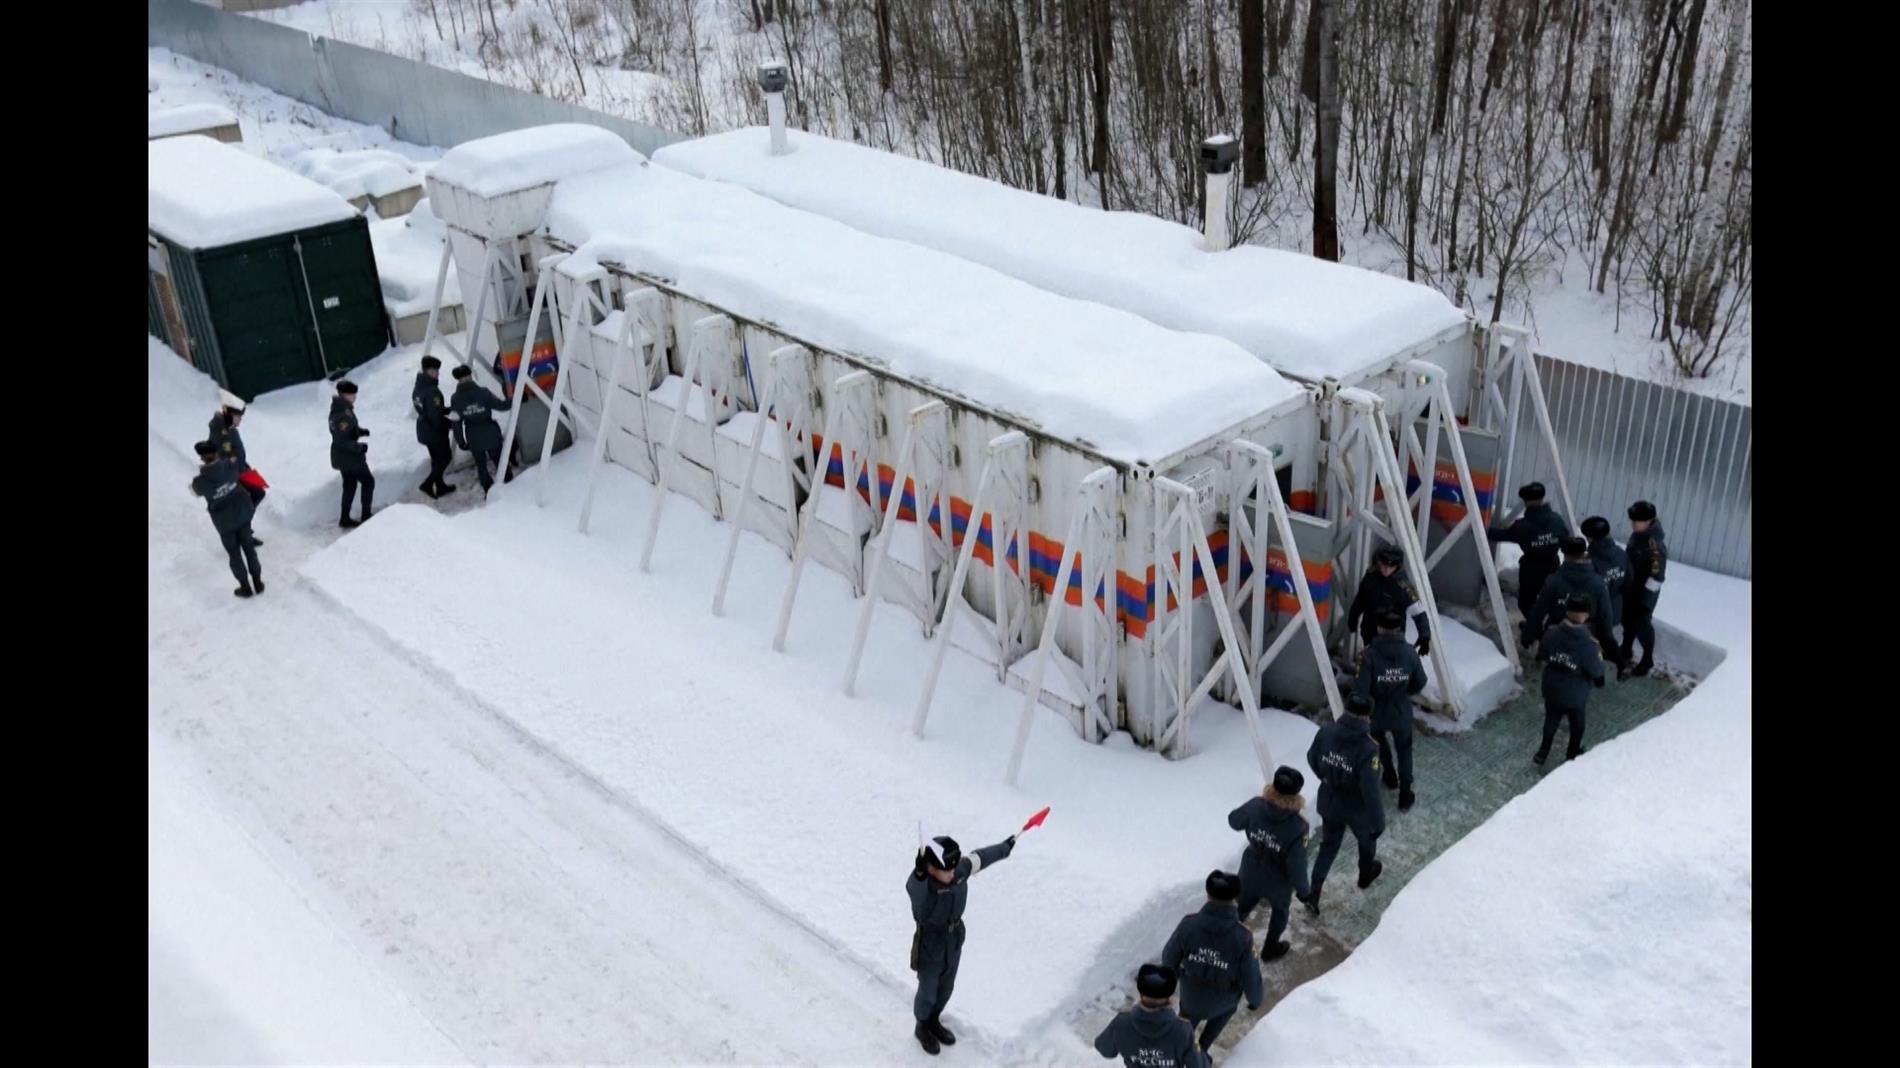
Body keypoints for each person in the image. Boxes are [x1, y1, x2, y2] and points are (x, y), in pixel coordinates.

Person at [908, 832, 1017, 1056]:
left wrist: (1005, 847)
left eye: (952, 869)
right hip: (931, 945)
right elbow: (914, 889)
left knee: (946, 987)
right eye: (945, 870)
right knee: (928, 991)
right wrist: (919, 873)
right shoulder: (925, 888)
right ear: (930, 868)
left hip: (954, 940)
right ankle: (922, 1026)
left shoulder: (958, 873)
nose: (951, 874)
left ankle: (934, 1020)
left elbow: (980, 858)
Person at [1161, 871, 1264, 1055]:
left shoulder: (1188, 925)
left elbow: (1169, 957)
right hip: (1222, 1004)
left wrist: (1175, 978)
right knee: (1218, 1021)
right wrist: (1255, 1000)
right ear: (1235, 898)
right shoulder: (1243, 938)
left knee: (1184, 1026)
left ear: (1208, 894)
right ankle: (1202, 1050)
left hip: (1190, 997)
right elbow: (1251, 977)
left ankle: (1177, 1050)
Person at [1303, 693, 1386, 911]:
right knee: (1367, 840)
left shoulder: (1326, 732)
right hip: (1356, 807)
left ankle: (1314, 892)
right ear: (1367, 717)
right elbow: (1371, 790)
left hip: (1330, 799)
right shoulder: (1369, 748)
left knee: (1328, 846)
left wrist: (1327, 777)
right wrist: (1378, 822)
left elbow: (1312, 758)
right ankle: (1365, 875)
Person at [1228, 767, 1311, 963]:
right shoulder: (1298, 826)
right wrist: (1304, 891)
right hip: (1279, 880)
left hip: (1250, 870)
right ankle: (1270, 947)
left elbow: (1234, 821)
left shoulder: (1256, 806)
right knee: (1280, 912)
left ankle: (1226, 938)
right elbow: (1297, 864)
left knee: (1240, 907)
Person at [1355, 609, 1429, 812]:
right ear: (1399, 629)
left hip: (1376, 711)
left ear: (1379, 628)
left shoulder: (1368, 655)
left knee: (1378, 743)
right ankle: (1405, 794)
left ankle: (1389, 774)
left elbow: (1360, 690)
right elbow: (1420, 682)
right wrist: (1403, 691)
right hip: (1401, 709)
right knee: (1405, 751)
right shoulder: (1409, 653)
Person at [1520, 536, 1620, 662]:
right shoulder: (1599, 583)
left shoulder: (1553, 581)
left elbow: (1538, 611)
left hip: (1557, 633)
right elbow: (1606, 615)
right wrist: (1608, 641)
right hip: (1587, 634)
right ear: (1584, 554)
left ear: (1565, 556)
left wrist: (1528, 635)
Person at [1535, 592, 1606, 764]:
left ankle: (1543, 751)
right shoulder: (1589, 645)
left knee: (1551, 719)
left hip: (1551, 689)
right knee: (1577, 725)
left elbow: (1542, 654)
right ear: (1586, 616)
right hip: (1575, 695)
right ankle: (1572, 754)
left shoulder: (1551, 633)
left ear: (1567, 612)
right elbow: (1596, 671)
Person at [1092, 964, 1206, 1068]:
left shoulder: (1121, 1023)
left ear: (1140, 994)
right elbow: (1199, 1065)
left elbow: (1105, 1050)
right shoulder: (1183, 1030)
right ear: (1170, 997)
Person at [190, 440, 264, 598]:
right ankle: (258, 582)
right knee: (249, 549)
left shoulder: (200, 482)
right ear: (217, 454)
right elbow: (238, 469)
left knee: (234, 554)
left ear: (202, 459)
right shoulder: (230, 467)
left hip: (225, 524)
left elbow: (194, 492)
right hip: (243, 515)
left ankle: (245, 587)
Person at [1487, 481, 1569, 619]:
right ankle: (1544, 626)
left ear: (1525, 502)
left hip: (1531, 570)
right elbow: (1567, 542)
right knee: (1550, 600)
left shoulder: (1522, 526)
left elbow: (1498, 535)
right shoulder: (1557, 520)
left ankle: (1534, 629)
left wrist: (1477, 528)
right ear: (1543, 498)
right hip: (1553, 567)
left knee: (1526, 603)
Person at [1345, 545, 1430, 656]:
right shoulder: (1371, 576)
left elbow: (1418, 611)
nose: (1386, 569)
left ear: (1397, 566)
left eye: (1391, 566)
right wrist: (1353, 617)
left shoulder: (1403, 585)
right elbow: (1360, 599)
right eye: (1383, 564)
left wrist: (1424, 636)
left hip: (1393, 637)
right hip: (1370, 632)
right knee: (1371, 663)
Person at [1618, 500, 1668, 679]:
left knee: (1642, 623)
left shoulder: (1655, 548)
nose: (1632, 524)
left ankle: (1647, 660)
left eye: (1636, 521)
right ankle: (1626, 647)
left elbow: (1657, 577)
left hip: (1645, 591)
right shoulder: (1639, 535)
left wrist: (1645, 601)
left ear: (1648, 522)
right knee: (1627, 618)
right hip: (1632, 586)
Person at [207, 393, 263, 542]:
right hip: (231, 477)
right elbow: (220, 459)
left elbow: (237, 454)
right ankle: (243, 534)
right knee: (245, 501)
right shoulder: (220, 432)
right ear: (229, 414)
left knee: (258, 493)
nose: (240, 420)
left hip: (241, 471)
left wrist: (246, 469)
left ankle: (244, 531)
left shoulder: (229, 429)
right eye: (238, 416)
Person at [450, 365, 509, 494]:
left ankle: (488, 490)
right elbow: (501, 406)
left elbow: (456, 423)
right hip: (491, 433)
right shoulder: (484, 392)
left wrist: (461, 441)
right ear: (470, 376)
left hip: (474, 437)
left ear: (458, 380)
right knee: (500, 461)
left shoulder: (455, 399)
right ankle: (509, 484)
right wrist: (516, 400)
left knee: (481, 466)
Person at [329, 380, 374, 528]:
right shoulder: (341, 413)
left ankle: (345, 518)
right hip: (350, 457)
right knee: (368, 481)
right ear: (345, 395)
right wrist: (359, 447)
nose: (355, 397)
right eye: (353, 394)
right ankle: (366, 515)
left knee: (349, 485)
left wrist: (360, 431)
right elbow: (342, 440)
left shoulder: (341, 408)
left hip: (342, 457)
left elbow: (346, 431)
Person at [413, 355, 457, 499]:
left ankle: (440, 486)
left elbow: (428, 409)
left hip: (424, 430)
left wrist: (446, 409)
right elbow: (435, 417)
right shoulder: (432, 391)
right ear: (429, 371)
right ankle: (427, 484)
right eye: (436, 371)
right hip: (434, 432)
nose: (438, 373)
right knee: (445, 457)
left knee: (436, 459)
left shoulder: (418, 387)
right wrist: (451, 424)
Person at [1581, 516, 1629, 634]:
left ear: (1590, 538)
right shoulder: (1621, 554)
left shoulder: (1590, 561)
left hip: (1595, 618)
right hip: (1615, 613)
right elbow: (1629, 582)